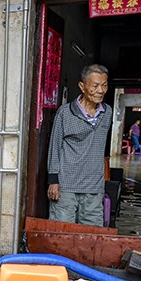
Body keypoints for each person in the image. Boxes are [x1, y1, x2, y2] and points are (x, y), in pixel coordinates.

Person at [46, 64, 112, 227]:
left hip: (94, 188)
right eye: (95, 85)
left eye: (104, 85)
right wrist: (53, 180)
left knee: (91, 237)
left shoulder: (107, 112)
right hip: (66, 186)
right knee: (61, 234)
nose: (101, 90)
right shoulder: (65, 113)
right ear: (82, 86)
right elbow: (55, 146)